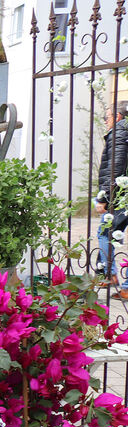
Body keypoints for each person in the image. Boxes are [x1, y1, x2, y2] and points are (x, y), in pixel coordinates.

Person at [96, 100, 128, 298]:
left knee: (104, 232)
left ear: (117, 117)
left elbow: (115, 167)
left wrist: (105, 197)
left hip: (122, 196)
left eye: (106, 117)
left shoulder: (119, 133)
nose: (105, 121)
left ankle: (110, 274)